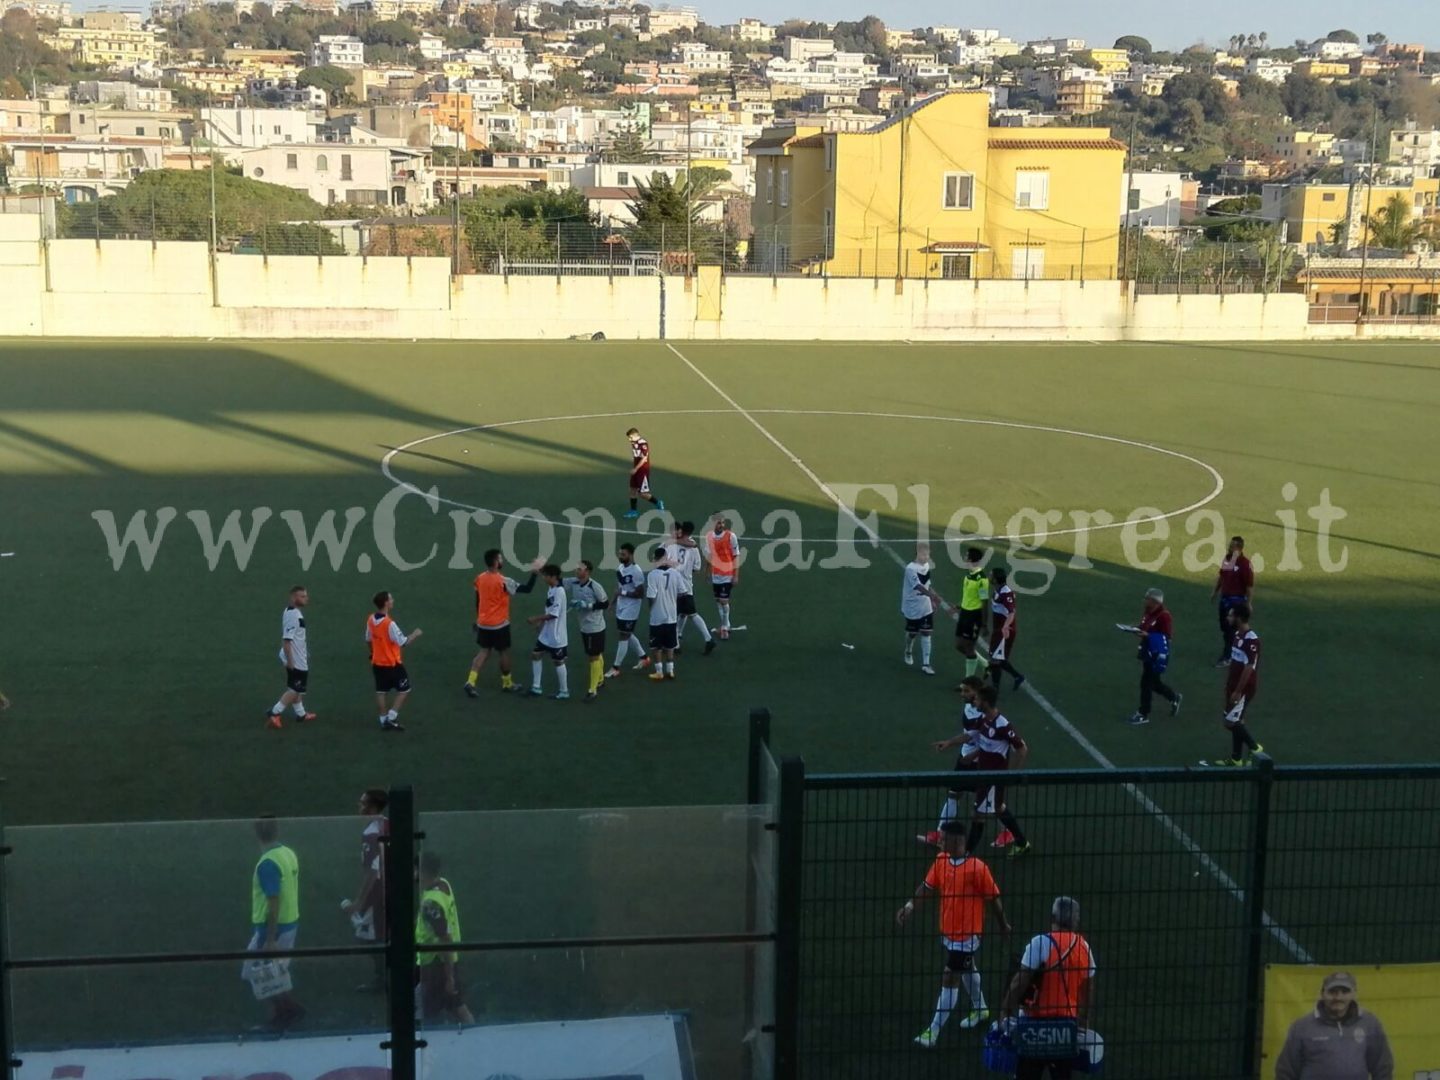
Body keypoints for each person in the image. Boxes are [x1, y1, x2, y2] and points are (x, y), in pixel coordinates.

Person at [897, 820, 1011, 1048]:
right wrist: (909, 907)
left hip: (968, 937)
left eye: (943, 837)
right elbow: (926, 887)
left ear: (958, 841)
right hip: (949, 933)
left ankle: (933, 1031)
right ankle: (981, 1009)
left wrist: (1003, 925)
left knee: (950, 977)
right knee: (968, 970)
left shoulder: (978, 868)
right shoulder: (941, 861)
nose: (939, 840)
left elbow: (994, 900)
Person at [1000, 896, 1096, 1080]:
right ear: (1075, 922)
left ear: (1052, 918)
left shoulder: (1040, 943)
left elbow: (1019, 982)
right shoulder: (1084, 947)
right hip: (1065, 1030)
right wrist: (1083, 1023)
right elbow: (1087, 991)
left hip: (1034, 1028)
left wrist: (1005, 1010)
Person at [243, 815, 305, 1031]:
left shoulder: (267, 863)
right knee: (273, 971)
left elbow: (273, 900)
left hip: (273, 930)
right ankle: (290, 1009)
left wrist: (269, 939)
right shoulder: (288, 853)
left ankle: (283, 1014)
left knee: (258, 973)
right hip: (290, 923)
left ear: (257, 834)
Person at [1275, 971, 1394, 1080]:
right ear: (1322, 993)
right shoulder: (1301, 1027)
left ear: (1354, 994)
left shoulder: (1370, 1024)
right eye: (1332, 992)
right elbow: (1286, 1071)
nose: (1338, 997)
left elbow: (1382, 1068)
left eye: (1345, 992)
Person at [919, 675, 987, 847]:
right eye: (962, 690)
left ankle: (1009, 831)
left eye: (966, 691)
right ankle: (941, 834)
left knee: (987, 802)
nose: (962, 694)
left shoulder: (985, 713)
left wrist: (950, 743)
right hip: (966, 756)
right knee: (955, 794)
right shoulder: (969, 706)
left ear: (977, 692)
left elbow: (973, 736)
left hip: (977, 761)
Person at [965, 685, 1032, 858]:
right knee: (998, 807)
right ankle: (1022, 842)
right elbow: (974, 736)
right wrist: (950, 743)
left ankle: (964, 855)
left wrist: (1012, 774)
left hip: (993, 778)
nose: (975, 701)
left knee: (978, 815)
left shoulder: (1002, 725)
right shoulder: (984, 719)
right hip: (985, 775)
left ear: (986, 702)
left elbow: (1022, 749)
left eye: (978, 699)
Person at [464, 550, 539, 697]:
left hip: (483, 623)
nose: (502, 560)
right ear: (496, 562)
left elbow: (478, 600)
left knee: (484, 651)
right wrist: (535, 572)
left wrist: (478, 619)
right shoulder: (503, 581)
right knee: (503, 652)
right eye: (500, 558)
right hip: (499, 624)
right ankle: (507, 683)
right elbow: (527, 589)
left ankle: (470, 682)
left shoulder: (480, 578)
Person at [416, 852, 475, 1025]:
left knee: (431, 1010)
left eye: (417, 869)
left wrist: (449, 977)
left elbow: (445, 938)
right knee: (456, 1004)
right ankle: (472, 1033)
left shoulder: (430, 904)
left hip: (436, 964)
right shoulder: (443, 884)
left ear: (424, 872)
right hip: (447, 960)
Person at [341, 789, 388, 991]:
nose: (359, 807)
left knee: (369, 936)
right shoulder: (387, 824)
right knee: (382, 934)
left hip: (378, 893)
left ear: (372, 808)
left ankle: (383, 979)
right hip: (393, 889)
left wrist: (360, 901)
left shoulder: (370, 834)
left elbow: (372, 872)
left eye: (363, 803)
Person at [1211, 602, 1264, 766]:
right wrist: (1229, 686)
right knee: (1237, 721)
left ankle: (1255, 748)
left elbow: (1249, 669)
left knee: (1229, 722)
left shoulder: (1252, 641)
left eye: (1231, 615)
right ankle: (1236, 758)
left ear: (1239, 618)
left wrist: (1238, 691)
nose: (1228, 617)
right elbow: (1235, 663)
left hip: (1244, 688)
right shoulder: (1237, 635)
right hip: (1233, 686)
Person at [367, 591, 421, 732]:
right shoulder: (389, 624)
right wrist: (415, 634)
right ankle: (391, 717)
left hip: (377, 663)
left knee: (381, 691)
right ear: (385, 603)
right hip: (392, 664)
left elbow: (368, 639)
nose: (392, 601)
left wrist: (373, 653)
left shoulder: (371, 619)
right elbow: (403, 642)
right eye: (390, 599)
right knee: (405, 690)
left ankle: (383, 719)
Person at [1128, 587, 1181, 726]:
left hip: (1156, 654)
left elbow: (1167, 638)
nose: (1145, 600)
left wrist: (1148, 636)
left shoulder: (1164, 616)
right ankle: (1173, 697)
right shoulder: (1149, 611)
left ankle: (1143, 713)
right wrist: (1135, 629)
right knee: (1155, 683)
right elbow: (1144, 625)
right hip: (1147, 651)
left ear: (1154, 601)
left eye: (1147, 598)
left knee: (1146, 683)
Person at [267, 585, 316, 730]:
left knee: (296, 687)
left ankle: (301, 714)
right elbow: (287, 641)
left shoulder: (292, 612)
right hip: (295, 659)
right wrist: (290, 661)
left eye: (306, 596)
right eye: (302, 596)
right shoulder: (293, 616)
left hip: (297, 655)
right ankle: (274, 713)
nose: (306, 598)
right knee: (294, 689)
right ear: (294, 598)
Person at [563, 560, 610, 702]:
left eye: (580, 569)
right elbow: (558, 580)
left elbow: (605, 603)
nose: (576, 571)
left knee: (593, 656)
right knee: (596, 653)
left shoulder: (595, 586)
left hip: (594, 627)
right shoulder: (574, 582)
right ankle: (600, 678)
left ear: (587, 572)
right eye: (576, 568)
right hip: (584, 626)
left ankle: (592, 690)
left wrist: (587, 605)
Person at [668, 521, 716, 655]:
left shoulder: (672, 544)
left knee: (687, 614)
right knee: (683, 613)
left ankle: (707, 639)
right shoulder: (693, 546)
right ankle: (678, 639)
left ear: (682, 530)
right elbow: (697, 568)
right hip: (687, 585)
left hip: (674, 586)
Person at [527, 563, 570, 700]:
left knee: (558, 662)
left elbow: (554, 614)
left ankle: (564, 691)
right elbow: (549, 610)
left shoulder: (559, 591)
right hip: (546, 634)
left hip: (557, 636)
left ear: (553, 576)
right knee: (536, 655)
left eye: (545, 576)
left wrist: (536, 618)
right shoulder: (551, 589)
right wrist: (541, 624)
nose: (544, 578)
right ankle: (536, 687)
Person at [1211, 536, 1254, 667]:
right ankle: (1235, 651)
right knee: (1224, 627)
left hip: (1236, 601)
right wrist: (1215, 591)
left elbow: (1249, 586)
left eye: (1232, 546)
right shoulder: (1228, 559)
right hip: (1224, 600)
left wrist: (1248, 603)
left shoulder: (1245, 564)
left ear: (1239, 548)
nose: (1229, 547)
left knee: (1231, 629)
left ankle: (1228, 656)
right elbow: (1222, 576)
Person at [608, 542, 649, 678]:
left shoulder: (636, 571)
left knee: (623, 635)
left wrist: (623, 593)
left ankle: (616, 667)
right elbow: (618, 587)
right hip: (621, 605)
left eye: (623, 554)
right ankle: (643, 658)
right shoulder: (620, 568)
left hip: (631, 607)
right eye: (620, 554)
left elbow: (640, 593)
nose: (620, 556)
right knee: (625, 632)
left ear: (630, 555)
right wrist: (612, 603)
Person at [987, 567, 1026, 694]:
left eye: (991, 575)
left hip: (1004, 631)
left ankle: (995, 688)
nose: (989, 576)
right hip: (999, 629)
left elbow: (1011, 612)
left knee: (995, 659)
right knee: (1000, 659)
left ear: (996, 579)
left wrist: (1005, 626)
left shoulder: (1006, 593)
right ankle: (1018, 677)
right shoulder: (999, 590)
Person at [901, 542, 937, 675]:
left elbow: (927, 584)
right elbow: (917, 586)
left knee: (926, 633)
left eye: (928, 555)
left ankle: (926, 664)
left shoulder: (927, 566)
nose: (926, 557)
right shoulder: (911, 568)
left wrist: (931, 599)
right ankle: (908, 650)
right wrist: (932, 596)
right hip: (912, 606)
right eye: (923, 554)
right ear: (917, 554)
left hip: (925, 605)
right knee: (913, 633)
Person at [645, 545, 680, 681]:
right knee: (670, 644)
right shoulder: (675, 573)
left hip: (657, 616)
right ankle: (670, 670)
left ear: (655, 558)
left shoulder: (652, 575)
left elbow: (651, 596)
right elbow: (681, 592)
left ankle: (659, 671)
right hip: (671, 615)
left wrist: (650, 608)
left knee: (656, 645)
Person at [954, 547, 989, 682]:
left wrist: (984, 624)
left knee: (968, 647)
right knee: (959, 645)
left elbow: (984, 602)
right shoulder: (968, 575)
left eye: (966, 555)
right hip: (964, 614)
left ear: (971, 559)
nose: (964, 557)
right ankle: (986, 665)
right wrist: (959, 605)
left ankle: (968, 683)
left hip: (974, 616)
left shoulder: (981, 579)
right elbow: (968, 595)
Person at [704, 515, 741, 639]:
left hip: (727, 573)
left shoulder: (731, 536)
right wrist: (707, 572)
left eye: (723, 523)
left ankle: (724, 627)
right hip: (715, 574)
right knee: (718, 601)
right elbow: (709, 556)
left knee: (724, 600)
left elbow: (736, 556)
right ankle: (726, 624)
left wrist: (736, 575)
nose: (722, 525)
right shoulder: (709, 537)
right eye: (719, 523)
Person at [623, 427, 665, 518]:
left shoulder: (643, 444)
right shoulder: (634, 443)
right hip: (636, 469)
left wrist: (636, 469)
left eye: (630, 437)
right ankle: (633, 511)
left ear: (635, 435)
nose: (629, 440)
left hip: (642, 471)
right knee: (632, 490)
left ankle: (657, 502)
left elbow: (644, 458)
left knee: (642, 494)